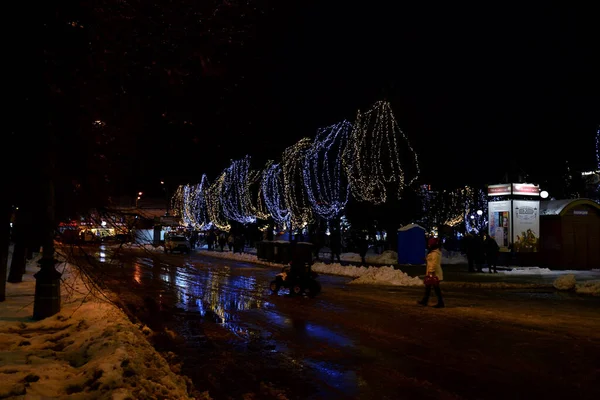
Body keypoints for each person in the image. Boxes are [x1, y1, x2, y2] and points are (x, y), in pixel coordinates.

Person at [418, 239, 445, 308]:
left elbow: (434, 264)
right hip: (433, 273)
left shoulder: (435, 253)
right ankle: (425, 300)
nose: (428, 245)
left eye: (430, 244)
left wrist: (430, 271)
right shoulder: (434, 252)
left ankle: (440, 302)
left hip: (434, 273)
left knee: (436, 288)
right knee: (428, 287)